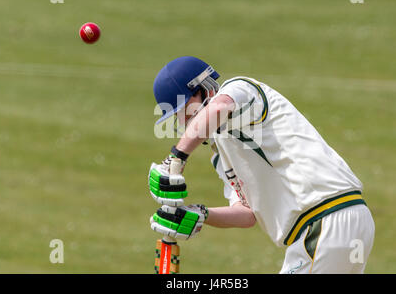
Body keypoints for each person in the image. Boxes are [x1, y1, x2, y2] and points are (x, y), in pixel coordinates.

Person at [148, 56, 375, 273]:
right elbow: (247, 213)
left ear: (205, 89)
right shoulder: (221, 153)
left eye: (186, 109)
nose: (184, 121)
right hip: (338, 224)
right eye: (178, 115)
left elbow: (218, 109)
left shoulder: (241, 89)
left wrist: (176, 157)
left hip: (324, 219)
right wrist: (201, 214)